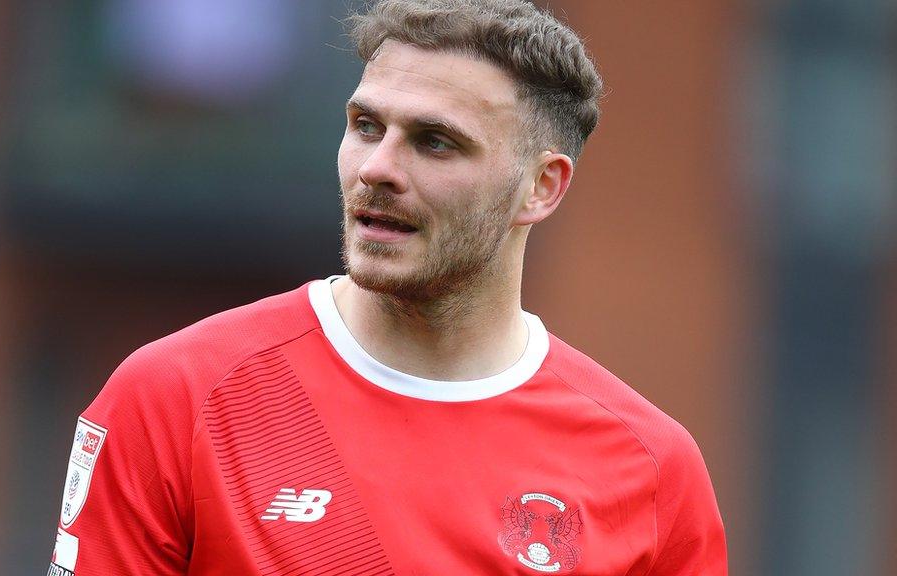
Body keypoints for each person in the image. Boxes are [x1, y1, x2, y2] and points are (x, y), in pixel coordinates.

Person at [47, 1, 728, 574]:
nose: (378, 168)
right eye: (366, 125)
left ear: (541, 187)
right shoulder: (177, 398)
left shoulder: (651, 470)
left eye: (434, 142)